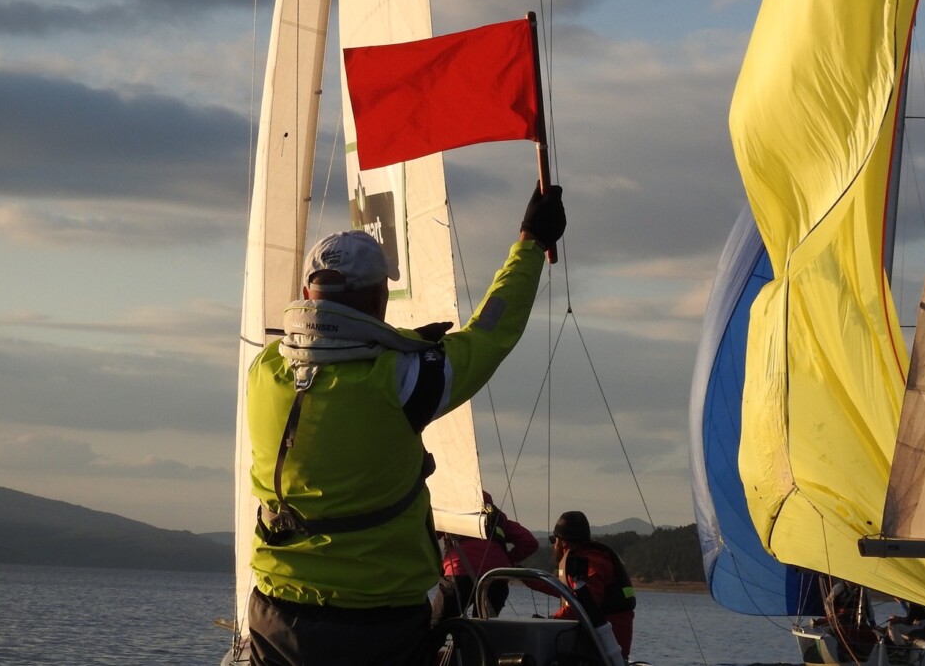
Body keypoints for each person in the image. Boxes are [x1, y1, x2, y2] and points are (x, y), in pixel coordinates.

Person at [244, 185, 566, 666]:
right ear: (378, 297)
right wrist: (531, 242)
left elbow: (330, 346)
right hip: (376, 624)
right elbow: (492, 330)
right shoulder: (404, 381)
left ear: (309, 294)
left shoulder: (265, 371)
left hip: (275, 616)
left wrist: (405, 342)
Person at [545, 510, 637, 666]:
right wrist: (525, 579)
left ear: (563, 542)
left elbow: (585, 603)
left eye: (554, 540)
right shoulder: (584, 561)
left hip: (604, 651)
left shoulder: (592, 563)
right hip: (597, 646)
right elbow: (565, 591)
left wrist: (551, 621)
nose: (554, 545)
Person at [433, 494, 539, 620]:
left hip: (459, 574)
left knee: (437, 624)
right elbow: (530, 542)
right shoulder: (498, 517)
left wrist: (436, 564)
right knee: (484, 629)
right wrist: (508, 559)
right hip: (495, 578)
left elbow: (427, 537)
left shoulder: (452, 513)